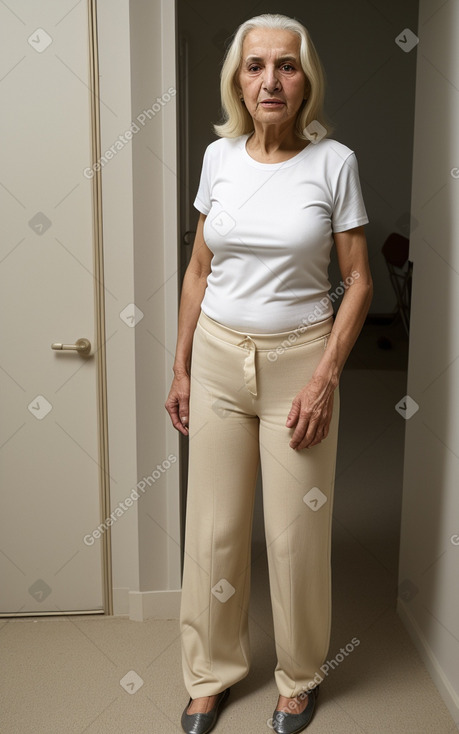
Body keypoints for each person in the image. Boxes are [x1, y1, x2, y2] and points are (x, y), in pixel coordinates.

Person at [165, 12, 373, 734]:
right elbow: (198, 269)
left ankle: (298, 676)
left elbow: (359, 281)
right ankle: (210, 673)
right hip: (220, 361)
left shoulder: (332, 163)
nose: (270, 80)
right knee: (215, 532)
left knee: (293, 536)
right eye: (255, 67)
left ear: (304, 78)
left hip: (299, 364)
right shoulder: (217, 158)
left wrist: (323, 379)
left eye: (285, 66)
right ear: (237, 80)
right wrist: (182, 364)